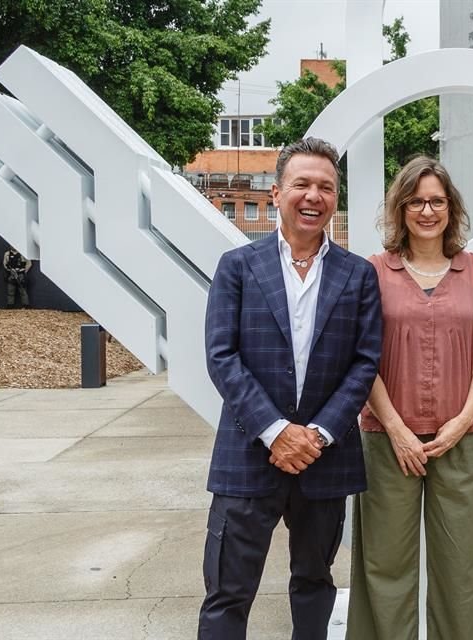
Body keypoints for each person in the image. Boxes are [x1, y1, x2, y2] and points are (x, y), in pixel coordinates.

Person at [198, 137, 382, 640]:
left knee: (314, 584)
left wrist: (317, 434)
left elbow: (365, 363)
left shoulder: (358, 275)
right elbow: (222, 356)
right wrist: (276, 431)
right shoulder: (237, 267)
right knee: (227, 593)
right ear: (277, 193)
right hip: (247, 455)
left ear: (336, 198)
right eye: (302, 184)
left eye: (326, 187)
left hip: (325, 460)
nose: (313, 196)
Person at [346, 156, 473, 640]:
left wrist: (461, 421)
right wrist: (396, 429)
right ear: (401, 207)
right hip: (389, 439)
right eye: (416, 201)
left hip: (462, 438)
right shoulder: (374, 271)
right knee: (384, 563)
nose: (427, 210)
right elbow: (362, 356)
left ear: (451, 208)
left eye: (436, 201)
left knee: (464, 566)